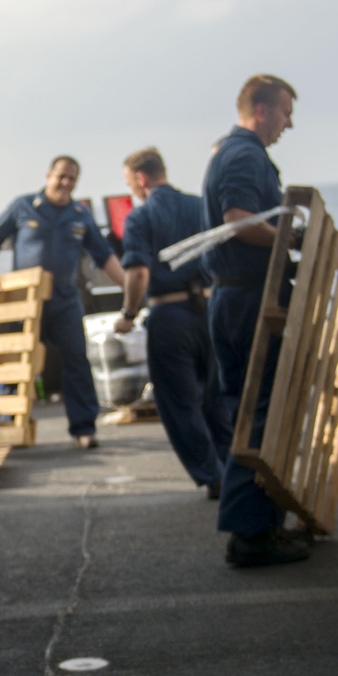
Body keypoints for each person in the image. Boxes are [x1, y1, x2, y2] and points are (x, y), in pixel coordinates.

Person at [201, 73, 309, 568]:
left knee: (251, 408)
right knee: (259, 412)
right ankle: (251, 534)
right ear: (262, 110)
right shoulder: (244, 154)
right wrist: (289, 238)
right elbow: (239, 219)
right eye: (286, 112)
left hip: (232, 298)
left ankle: (258, 524)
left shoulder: (232, 151)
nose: (289, 123)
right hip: (246, 301)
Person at [0, 156, 126, 449]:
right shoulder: (23, 206)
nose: (65, 183)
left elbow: (104, 256)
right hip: (25, 300)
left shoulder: (80, 214)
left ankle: (84, 429)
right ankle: (4, 425)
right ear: (48, 175)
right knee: (12, 359)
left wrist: (129, 286)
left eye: (71, 179)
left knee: (76, 361)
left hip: (64, 300)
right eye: (61, 177)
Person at [115, 147, 231, 498]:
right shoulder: (201, 206)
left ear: (140, 178)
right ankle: (235, 470)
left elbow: (137, 273)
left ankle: (213, 475)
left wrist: (128, 315)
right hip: (211, 310)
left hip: (170, 314)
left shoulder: (141, 216)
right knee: (216, 399)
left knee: (179, 403)